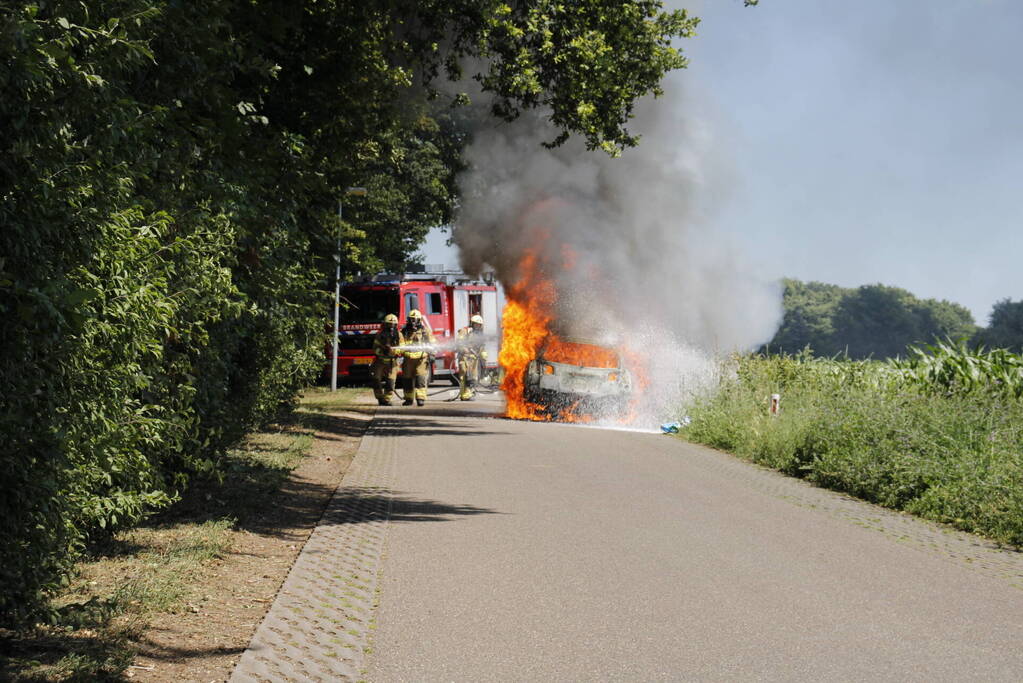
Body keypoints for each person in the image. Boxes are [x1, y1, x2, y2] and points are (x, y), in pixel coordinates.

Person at [399, 309, 435, 406]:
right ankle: (408, 399)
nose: (413, 322)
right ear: (408, 320)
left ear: (419, 320)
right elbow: (399, 344)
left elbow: (432, 343)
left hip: (421, 359)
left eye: (415, 320)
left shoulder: (425, 330)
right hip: (408, 359)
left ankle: (420, 398)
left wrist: (432, 355)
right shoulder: (404, 331)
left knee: (420, 378)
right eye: (411, 319)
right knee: (407, 380)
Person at [370, 313, 403, 406]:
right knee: (376, 380)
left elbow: (402, 348)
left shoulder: (399, 335)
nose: (391, 327)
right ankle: (380, 398)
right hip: (380, 361)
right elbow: (374, 348)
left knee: (390, 382)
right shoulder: (379, 335)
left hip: (392, 362)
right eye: (389, 324)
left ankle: (387, 399)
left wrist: (393, 351)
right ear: (384, 324)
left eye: (393, 325)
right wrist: (382, 351)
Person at [456, 314, 488, 401]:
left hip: (474, 359)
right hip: (465, 358)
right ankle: (465, 395)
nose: (477, 326)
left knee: (473, 377)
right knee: (466, 376)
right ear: (472, 323)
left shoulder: (479, 335)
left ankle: (470, 393)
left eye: (479, 324)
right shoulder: (465, 331)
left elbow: (482, 347)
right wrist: (465, 349)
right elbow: (459, 342)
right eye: (476, 324)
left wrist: (483, 355)